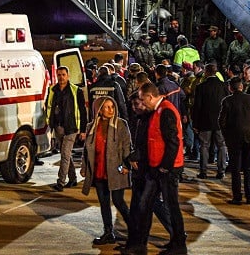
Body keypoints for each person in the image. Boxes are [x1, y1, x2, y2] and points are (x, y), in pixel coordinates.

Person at [124, 82, 187, 255]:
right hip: (157, 169)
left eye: (143, 99)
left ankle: (179, 244)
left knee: (170, 206)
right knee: (146, 205)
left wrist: (165, 168)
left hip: (166, 170)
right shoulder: (157, 111)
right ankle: (142, 244)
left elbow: (173, 143)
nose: (142, 103)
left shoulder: (165, 111)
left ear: (150, 96)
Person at [81, 96, 132, 245]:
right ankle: (108, 232)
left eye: (112, 107)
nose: (111, 110)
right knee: (104, 203)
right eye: (107, 107)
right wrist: (85, 168)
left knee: (118, 201)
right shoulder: (92, 126)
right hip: (99, 170)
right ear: (99, 109)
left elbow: (127, 148)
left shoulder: (121, 124)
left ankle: (135, 231)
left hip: (116, 170)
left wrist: (125, 167)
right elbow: (86, 150)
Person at [45, 66, 87, 192]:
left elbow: (83, 111)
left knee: (64, 155)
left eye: (63, 74)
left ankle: (61, 182)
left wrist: (83, 130)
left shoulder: (76, 91)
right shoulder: (53, 90)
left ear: (68, 76)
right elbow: (49, 106)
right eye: (59, 75)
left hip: (71, 128)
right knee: (67, 155)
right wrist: (50, 123)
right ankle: (73, 178)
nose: (61, 77)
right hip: (58, 127)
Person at [218, 77, 250, 205]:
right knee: (247, 167)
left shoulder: (227, 101)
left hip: (234, 137)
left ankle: (237, 196)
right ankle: (249, 195)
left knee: (235, 168)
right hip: (249, 136)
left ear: (231, 88)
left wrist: (226, 135)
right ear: (242, 87)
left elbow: (221, 121)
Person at [193, 63, 229, 179]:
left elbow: (197, 106)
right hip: (220, 122)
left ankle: (203, 171)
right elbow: (227, 104)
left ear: (206, 72)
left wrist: (195, 123)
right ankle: (221, 170)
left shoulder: (201, 87)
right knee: (222, 146)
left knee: (204, 146)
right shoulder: (223, 86)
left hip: (205, 121)